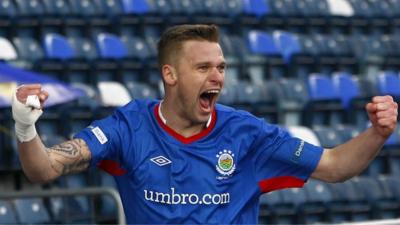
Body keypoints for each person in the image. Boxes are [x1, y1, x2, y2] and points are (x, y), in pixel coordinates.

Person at [11, 24, 398, 224]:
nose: (217, 77)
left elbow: (334, 166)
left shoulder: (247, 134)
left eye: (221, 67)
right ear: (171, 74)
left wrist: (377, 133)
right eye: (203, 67)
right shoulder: (129, 126)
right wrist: (25, 126)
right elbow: (43, 168)